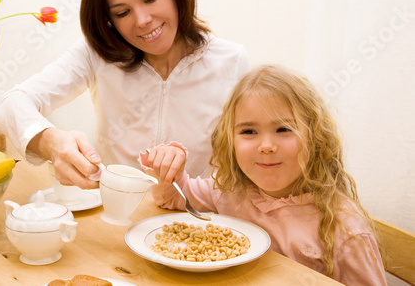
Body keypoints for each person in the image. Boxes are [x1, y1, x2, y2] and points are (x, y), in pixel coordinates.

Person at [0, 0, 249, 189]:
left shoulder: (230, 62)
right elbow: (10, 104)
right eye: (122, 12)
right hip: (117, 218)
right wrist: (50, 142)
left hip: (198, 221)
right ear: (109, 20)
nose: (142, 20)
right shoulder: (97, 55)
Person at [142, 65, 386, 285]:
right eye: (249, 131)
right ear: (231, 140)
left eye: (283, 129)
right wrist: (167, 164)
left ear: (315, 136)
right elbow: (173, 197)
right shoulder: (229, 191)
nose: (266, 146)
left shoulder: (345, 230)